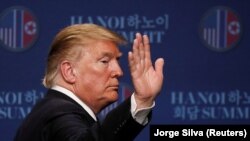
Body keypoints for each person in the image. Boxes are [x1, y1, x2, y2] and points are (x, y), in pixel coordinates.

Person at [14, 23, 164, 141]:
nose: (118, 71)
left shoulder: (51, 110)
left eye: (117, 60)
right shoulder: (59, 115)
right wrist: (141, 100)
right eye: (104, 61)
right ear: (70, 71)